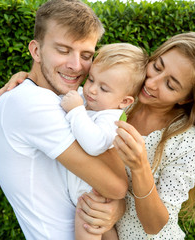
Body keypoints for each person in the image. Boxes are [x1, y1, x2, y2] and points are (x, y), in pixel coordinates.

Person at [0, 32, 195, 239]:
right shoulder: (115, 99)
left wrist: (139, 168)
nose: (152, 82)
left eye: (171, 85)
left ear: (186, 98)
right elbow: (64, 94)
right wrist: (28, 79)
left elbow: (155, 226)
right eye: (157, 66)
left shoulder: (187, 145)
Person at [0, 0, 128, 239]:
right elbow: (115, 186)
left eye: (86, 55)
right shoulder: (29, 103)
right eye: (63, 50)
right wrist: (117, 203)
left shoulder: (69, 99)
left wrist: (116, 209)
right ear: (36, 51)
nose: (76, 66)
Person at [61, 43, 148, 240]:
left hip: (95, 194)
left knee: (88, 229)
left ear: (124, 102)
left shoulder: (111, 117)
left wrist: (75, 111)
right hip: (86, 189)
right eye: (91, 79)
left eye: (103, 88)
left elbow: (94, 144)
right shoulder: (93, 102)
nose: (91, 89)